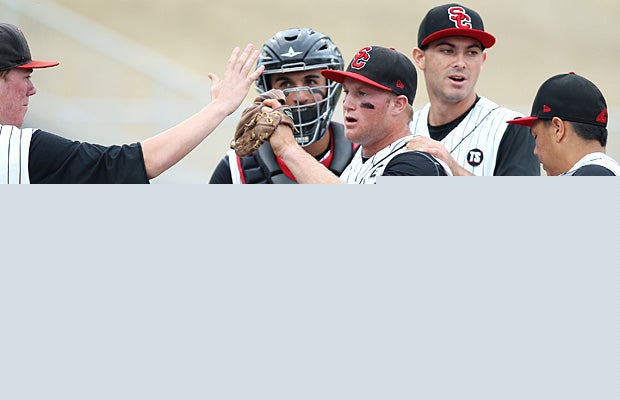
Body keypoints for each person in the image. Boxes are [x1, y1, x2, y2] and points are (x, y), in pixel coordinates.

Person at [0, 22, 263, 184]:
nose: (32, 90)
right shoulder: (19, 150)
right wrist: (219, 107)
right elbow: (136, 163)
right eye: (26, 76)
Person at [264, 45, 450, 184]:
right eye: (347, 93)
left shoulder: (417, 164)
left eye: (362, 93)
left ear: (398, 104)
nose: (347, 105)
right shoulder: (360, 161)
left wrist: (288, 148)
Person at [208, 27, 357, 184]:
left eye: (311, 82)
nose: (299, 97)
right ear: (268, 90)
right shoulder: (237, 167)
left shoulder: (369, 156)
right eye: (285, 84)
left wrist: (289, 149)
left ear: (331, 86)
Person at [406, 3, 540, 176]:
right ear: (420, 58)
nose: (461, 63)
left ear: (482, 60)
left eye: (471, 53)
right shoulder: (404, 128)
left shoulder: (511, 128)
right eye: (447, 51)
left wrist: (453, 170)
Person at [506, 72, 619, 176]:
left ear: (558, 129)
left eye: (536, 136)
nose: (535, 151)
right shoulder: (602, 172)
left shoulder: (593, 174)